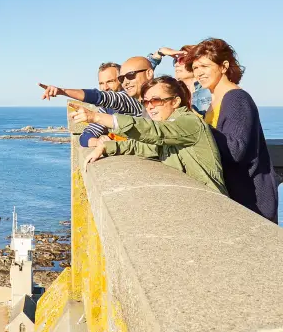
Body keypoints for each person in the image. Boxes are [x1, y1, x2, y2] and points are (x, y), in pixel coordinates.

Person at [71, 76, 227, 195]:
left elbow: (153, 131)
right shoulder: (170, 125)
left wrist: (97, 117)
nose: (150, 107)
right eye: (146, 102)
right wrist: (106, 146)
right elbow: (143, 145)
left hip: (212, 203)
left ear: (175, 102)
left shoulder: (189, 122)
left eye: (156, 100)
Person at [183, 38, 278, 222]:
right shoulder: (213, 102)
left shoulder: (236, 98)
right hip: (236, 194)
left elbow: (236, 150)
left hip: (250, 199)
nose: (199, 73)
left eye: (204, 66)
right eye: (195, 68)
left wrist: (195, 126)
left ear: (224, 66)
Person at [40, 56, 154, 117]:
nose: (126, 82)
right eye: (122, 78)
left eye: (110, 81)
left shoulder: (131, 99)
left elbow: (101, 97)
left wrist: (63, 91)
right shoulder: (106, 108)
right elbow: (87, 135)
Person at [148, 46, 212, 114]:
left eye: (182, 60)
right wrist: (158, 55)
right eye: (175, 60)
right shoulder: (170, 89)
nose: (176, 64)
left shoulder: (210, 89)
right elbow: (141, 78)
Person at [79, 62, 122, 148]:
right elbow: (84, 137)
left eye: (110, 81)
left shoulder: (133, 102)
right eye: (101, 83)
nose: (105, 88)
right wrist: (97, 141)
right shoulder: (107, 108)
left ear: (121, 80)